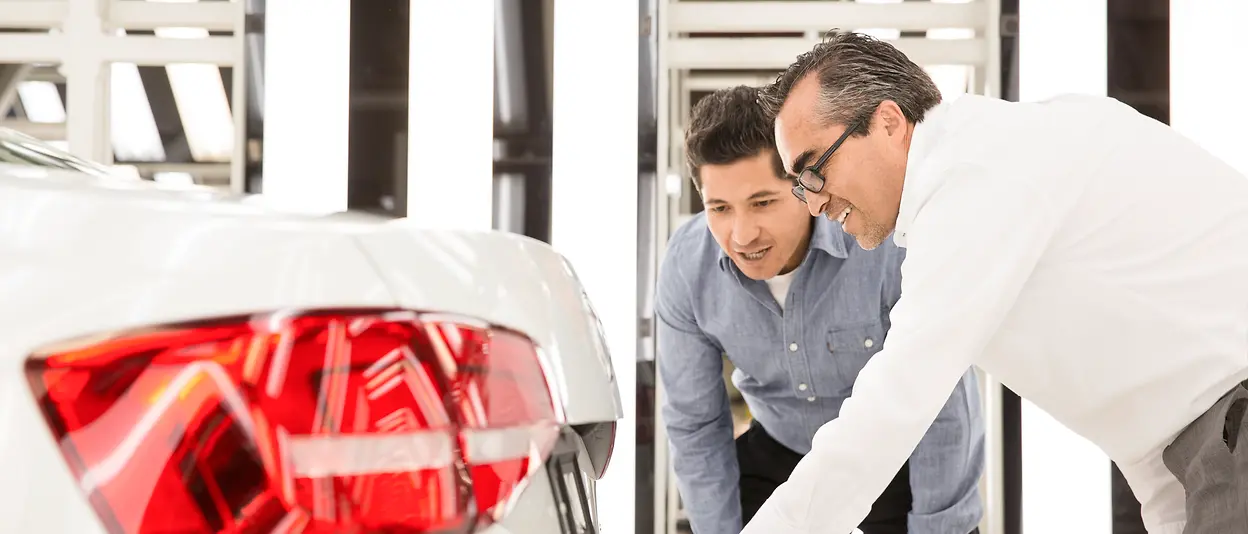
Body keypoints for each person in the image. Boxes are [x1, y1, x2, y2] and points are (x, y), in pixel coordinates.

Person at [741, 30, 1248, 534]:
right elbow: (1148, 426)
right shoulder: (982, 177)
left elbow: (895, 401)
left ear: (888, 122)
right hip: (1209, 445)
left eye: (814, 172)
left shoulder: (975, 172)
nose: (813, 203)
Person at [655, 85, 985, 534]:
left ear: (803, 184)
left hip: (890, 458)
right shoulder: (686, 267)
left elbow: (944, 405)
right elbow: (695, 425)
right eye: (720, 208)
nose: (742, 234)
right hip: (777, 453)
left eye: (762, 202)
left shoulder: (882, 242)